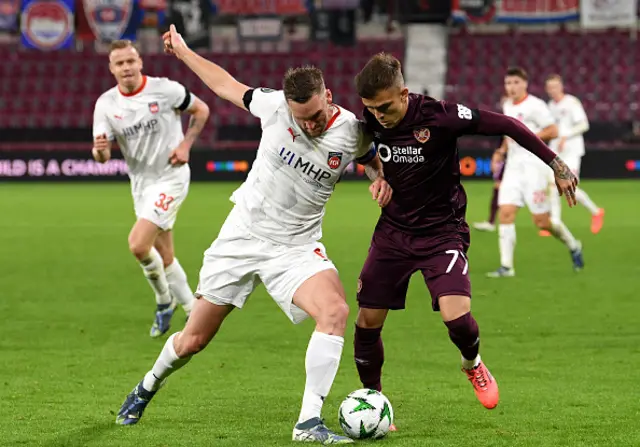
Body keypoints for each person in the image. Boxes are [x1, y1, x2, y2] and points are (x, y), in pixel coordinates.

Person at [115, 25, 392, 445]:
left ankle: (308, 423)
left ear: (329, 98)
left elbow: (372, 159)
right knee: (193, 340)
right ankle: (147, 386)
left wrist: (378, 178)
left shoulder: (353, 131)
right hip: (242, 238)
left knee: (335, 311)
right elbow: (224, 84)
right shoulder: (274, 107)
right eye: (303, 120)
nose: (312, 126)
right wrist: (185, 52)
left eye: (317, 116)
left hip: (297, 247)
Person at [350, 54, 578, 420]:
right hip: (393, 233)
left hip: (442, 232)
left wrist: (556, 163)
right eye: (371, 109)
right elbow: (368, 156)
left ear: (404, 94)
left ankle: (472, 363)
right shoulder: (370, 119)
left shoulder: (440, 115)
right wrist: (376, 177)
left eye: (384, 107)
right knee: (367, 322)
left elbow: (507, 123)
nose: (378, 115)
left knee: (457, 319)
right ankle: (372, 401)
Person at [92, 40, 210, 337]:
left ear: (140, 62)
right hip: (142, 185)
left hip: (171, 176)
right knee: (164, 255)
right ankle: (182, 308)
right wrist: (100, 151)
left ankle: (170, 303)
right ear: (112, 69)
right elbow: (102, 157)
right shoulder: (106, 104)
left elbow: (201, 110)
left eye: (130, 61)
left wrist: (186, 144)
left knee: (138, 244)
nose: (126, 67)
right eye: (120, 63)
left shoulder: (165, 89)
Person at [487, 67, 584, 277]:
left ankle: (573, 244)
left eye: (515, 83)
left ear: (525, 84)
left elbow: (553, 130)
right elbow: (508, 133)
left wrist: (528, 136)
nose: (511, 87)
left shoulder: (536, 105)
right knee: (505, 213)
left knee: (542, 222)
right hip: (513, 168)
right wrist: (500, 152)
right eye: (508, 83)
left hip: (535, 168)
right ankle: (506, 266)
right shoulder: (507, 105)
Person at [542, 74, 604, 237]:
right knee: (552, 185)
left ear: (561, 86)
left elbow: (584, 124)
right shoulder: (550, 106)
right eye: (549, 87)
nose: (552, 90)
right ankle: (555, 223)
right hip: (556, 151)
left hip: (572, 150)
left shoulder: (571, 103)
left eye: (555, 86)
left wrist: (566, 135)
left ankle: (596, 211)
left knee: (571, 185)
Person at [474, 95, 508, 232]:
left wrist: (500, 154)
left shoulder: (512, 119)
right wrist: (497, 154)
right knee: (498, 186)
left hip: (516, 159)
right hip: (509, 158)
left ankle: (492, 222)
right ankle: (492, 221)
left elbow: (507, 139)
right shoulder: (505, 120)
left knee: (500, 187)